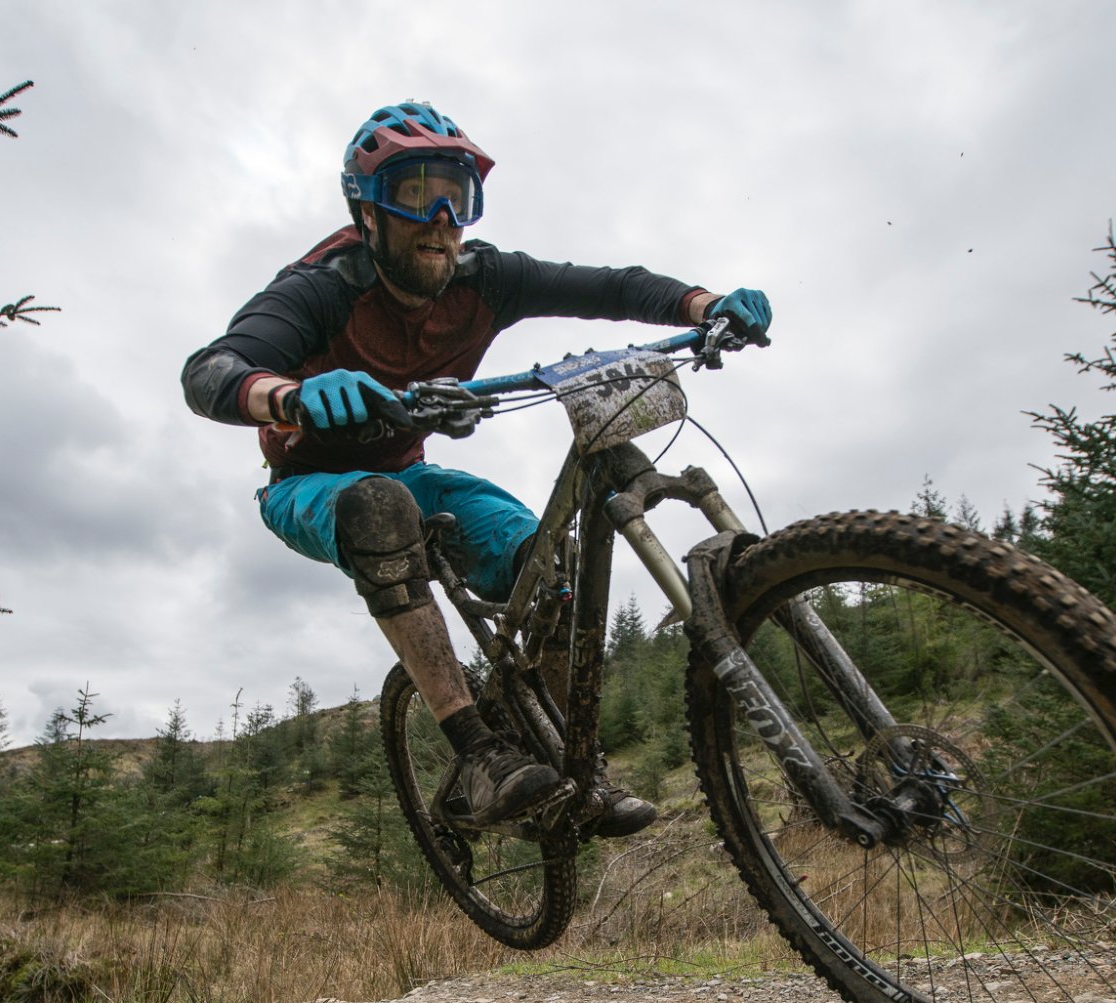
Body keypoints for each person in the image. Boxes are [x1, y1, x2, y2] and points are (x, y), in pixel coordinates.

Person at [183, 101, 771, 833]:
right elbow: (210, 371)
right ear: (367, 212)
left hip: (411, 470)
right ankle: (479, 755)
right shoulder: (323, 287)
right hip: (309, 484)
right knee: (378, 506)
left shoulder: (486, 279)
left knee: (545, 565)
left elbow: (611, 287)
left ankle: (565, 765)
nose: (439, 218)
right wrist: (290, 396)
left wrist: (704, 303)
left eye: (456, 197)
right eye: (412, 194)